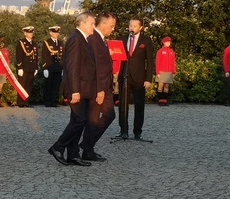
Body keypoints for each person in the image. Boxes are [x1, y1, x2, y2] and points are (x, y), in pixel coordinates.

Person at [48, 12, 96, 167]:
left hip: (84, 87)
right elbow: (72, 67)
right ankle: (58, 147)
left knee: (78, 120)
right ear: (82, 23)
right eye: (92, 23)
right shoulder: (76, 39)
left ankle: (73, 154)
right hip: (77, 88)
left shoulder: (83, 39)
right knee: (79, 120)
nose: (93, 27)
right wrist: (75, 90)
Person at [80, 12, 117, 162]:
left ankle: (88, 145)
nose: (113, 29)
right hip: (98, 86)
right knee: (93, 119)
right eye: (112, 26)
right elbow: (95, 67)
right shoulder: (94, 39)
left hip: (105, 85)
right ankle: (87, 148)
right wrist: (99, 88)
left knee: (107, 116)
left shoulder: (101, 39)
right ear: (102, 24)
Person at [116, 17, 154, 140]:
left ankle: (137, 131)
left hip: (139, 77)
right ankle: (123, 130)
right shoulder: (123, 39)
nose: (131, 28)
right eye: (130, 25)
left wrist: (148, 79)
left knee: (139, 105)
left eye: (134, 26)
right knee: (123, 105)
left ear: (141, 27)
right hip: (125, 76)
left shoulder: (146, 41)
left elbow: (150, 61)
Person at [15, 26, 38, 107]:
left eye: (31, 32)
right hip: (24, 68)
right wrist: (19, 67)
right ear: (25, 33)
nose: (30, 34)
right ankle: (21, 102)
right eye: (29, 32)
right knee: (22, 85)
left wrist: (36, 68)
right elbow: (19, 56)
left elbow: (35, 56)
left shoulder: (34, 43)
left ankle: (26, 101)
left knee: (29, 86)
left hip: (31, 68)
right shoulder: (21, 43)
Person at [41, 26, 63, 107]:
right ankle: (47, 101)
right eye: (54, 32)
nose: (56, 34)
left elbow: (62, 56)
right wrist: (45, 67)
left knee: (56, 85)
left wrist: (62, 67)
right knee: (48, 85)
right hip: (50, 67)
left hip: (58, 67)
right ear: (51, 33)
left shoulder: (60, 43)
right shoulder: (47, 42)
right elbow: (44, 55)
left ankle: (54, 101)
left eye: (57, 32)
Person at [156, 36, 176, 106]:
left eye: (169, 42)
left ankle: (165, 100)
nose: (168, 43)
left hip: (169, 71)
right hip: (161, 71)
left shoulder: (171, 51)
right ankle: (160, 100)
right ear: (164, 42)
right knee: (160, 86)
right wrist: (158, 72)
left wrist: (173, 72)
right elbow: (158, 62)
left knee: (166, 87)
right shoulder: (160, 51)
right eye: (167, 42)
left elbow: (173, 62)